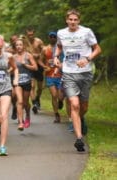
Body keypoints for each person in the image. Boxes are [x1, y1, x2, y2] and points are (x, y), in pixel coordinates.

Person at [54, 9, 101, 152]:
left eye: (75, 20)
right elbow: (59, 47)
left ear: (79, 21)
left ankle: (80, 119)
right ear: (66, 20)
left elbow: (97, 49)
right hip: (69, 72)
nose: (73, 22)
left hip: (85, 73)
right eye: (70, 19)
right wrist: (56, 57)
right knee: (74, 104)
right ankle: (79, 138)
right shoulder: (61, 33)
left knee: (83, 106)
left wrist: (87, 59)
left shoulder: (86, 32)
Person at [39, 32, 64, 123]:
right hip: (50, 75)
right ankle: (56, 114)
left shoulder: (61, 49)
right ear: (49, 38)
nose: (53, 38)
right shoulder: (45, 49)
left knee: (60, 96)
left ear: (56, 38)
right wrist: (44, 67)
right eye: (51, 36)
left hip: (61, 75)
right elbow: (40, 60)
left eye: (54, 37)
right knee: (54, 95)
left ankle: (61, 101)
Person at [13, 38, 37, 130]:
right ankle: (20, 122)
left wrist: (25, 65)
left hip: (27, 81)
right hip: (18, 82)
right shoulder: (13, 57)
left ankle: (27, 114)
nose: (19, 46)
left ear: (24, 46)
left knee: (26, 102)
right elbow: (11, 68)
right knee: (19, 101)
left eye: (20, 45)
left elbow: (35, 68)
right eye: (17, 45)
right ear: (15, 47)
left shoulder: (28, 56)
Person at [25, 27, 44, 114]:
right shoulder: (25, 43)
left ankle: (37, 98)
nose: (30, 36)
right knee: (32, 86)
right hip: (30, 66)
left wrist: (39, 56)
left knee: (40, 87)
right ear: (26, 34)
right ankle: (34, 104)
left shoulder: (38, 41)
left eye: (32, 34)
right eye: (29, 35)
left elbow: (44, 52)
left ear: (34, 33)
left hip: (39, 66)